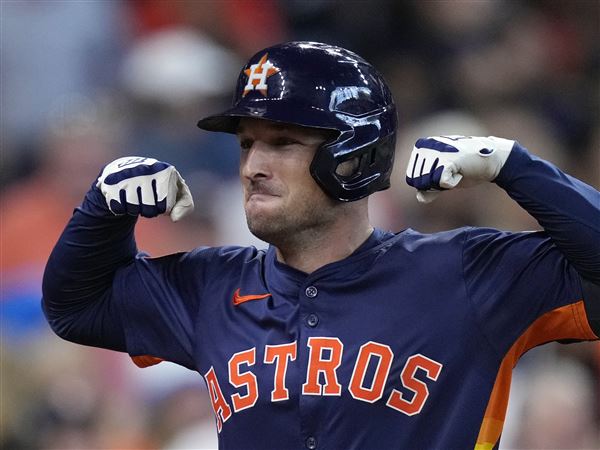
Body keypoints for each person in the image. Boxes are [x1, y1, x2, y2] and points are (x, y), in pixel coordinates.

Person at [42, 41, 599, 449]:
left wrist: (513, 166)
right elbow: (76, 307)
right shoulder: (210, 285)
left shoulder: (464, 273)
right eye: (247, 145)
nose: (253, 168)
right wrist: (102, 211)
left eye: (283, 143)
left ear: (354, 156)